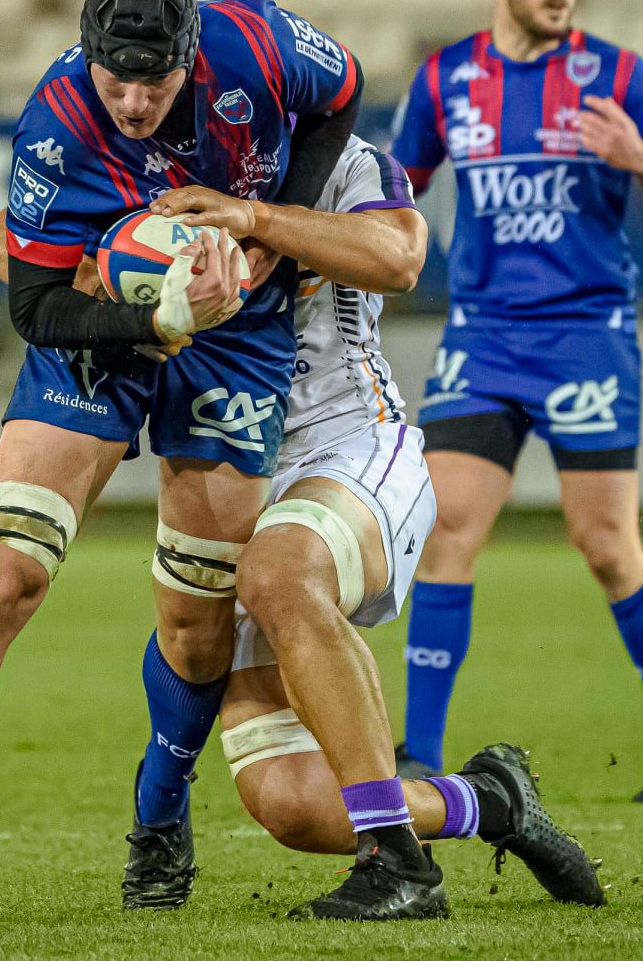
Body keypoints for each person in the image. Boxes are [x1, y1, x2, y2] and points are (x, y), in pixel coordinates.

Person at [0, 0, 363, 931]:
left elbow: (344, 91)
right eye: (116, 79)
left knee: (198, 622)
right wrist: (158, 320)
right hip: (103, 321)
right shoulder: (56, 122)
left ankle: (161, 807)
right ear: (87, 53)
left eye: (155, 82)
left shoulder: (261, 43)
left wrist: (278, 228)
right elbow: (33, 305)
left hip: (237, 339)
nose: (134, 102)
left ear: (191, 55)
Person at [148, 151, 604, 920]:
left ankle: (398, 868)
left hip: (351, 447)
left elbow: (399, 256)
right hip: (231, 479)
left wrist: (257, 219)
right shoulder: (145, 162)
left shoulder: (342, 160)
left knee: (279, 573)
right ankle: (489, 800)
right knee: (295, 805)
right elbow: (13, 240)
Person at [389, 0, 643, 802]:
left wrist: (639, 156)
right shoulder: (447, 78)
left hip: (586, 338)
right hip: (483, 337)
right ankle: (418, 756)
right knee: (447, 530)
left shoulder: (619, 76)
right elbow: (393, 188)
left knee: (606, 544)